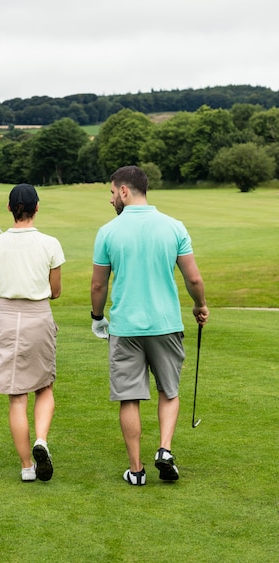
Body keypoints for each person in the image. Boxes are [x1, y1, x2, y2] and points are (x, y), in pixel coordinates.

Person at [90, 165, 209, 486]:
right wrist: (200, 305)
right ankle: (165, 450)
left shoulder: (108, 232)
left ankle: (137, 470)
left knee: (129, 398)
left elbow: (98, 286)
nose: (112, 199)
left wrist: (98, 318)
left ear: (125, 191)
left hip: (126, 327)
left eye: (113, 192)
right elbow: (193, 277)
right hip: (166, 324)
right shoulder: (174, 227)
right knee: (169, 391)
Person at [0, 183, 65, 482]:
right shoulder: (50, 243)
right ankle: (41, 440)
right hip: (38, 317)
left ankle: (27, 467)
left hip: (6, 317)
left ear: (9, 208)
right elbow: (55, 292)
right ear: (37, 207)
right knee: (44, 386)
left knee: (17, 397)